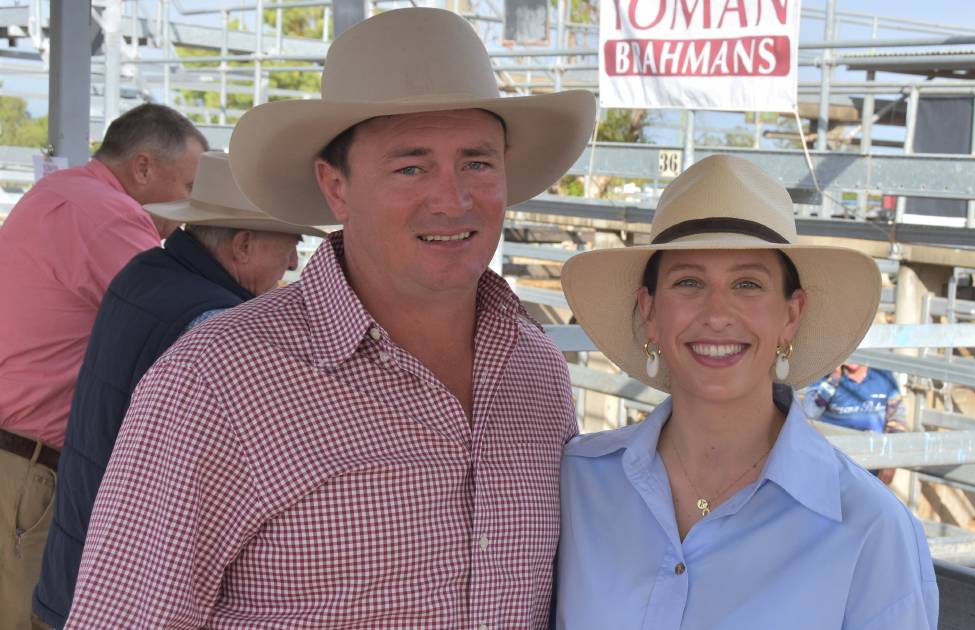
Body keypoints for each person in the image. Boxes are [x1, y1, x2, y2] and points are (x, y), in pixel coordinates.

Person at [65, 8, 595, 628]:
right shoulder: (214, 382)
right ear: (335, 187)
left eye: (477, 162)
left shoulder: (536, 372)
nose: (453, 199)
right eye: (411, 166)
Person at [556, 155, 938, 629]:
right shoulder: (577, 484)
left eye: (748, 284)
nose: (717, 313)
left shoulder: (870, 528)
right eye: (689, 282)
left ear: (791, 315)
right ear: (649, 310)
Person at [31, 151, 324, 629]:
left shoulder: (148, 271)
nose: (292, 263)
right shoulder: (213, 326)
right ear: (243, 245)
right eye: (289, 245)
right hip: (129, 592)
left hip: (83, 567)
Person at [0, 103, 206, 630]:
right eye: (186, 186)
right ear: (142, 167)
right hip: (29, 470)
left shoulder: (61, 191)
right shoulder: (106, 214)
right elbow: (176, 316)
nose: (188, 210)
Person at [804, 362, 907, 484]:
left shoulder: (883, 376)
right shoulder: (825, 375)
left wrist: (891, 463)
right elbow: (809, 412)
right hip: (833, 468)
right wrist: (833, 380)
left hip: (870, 470)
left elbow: (897, 422)